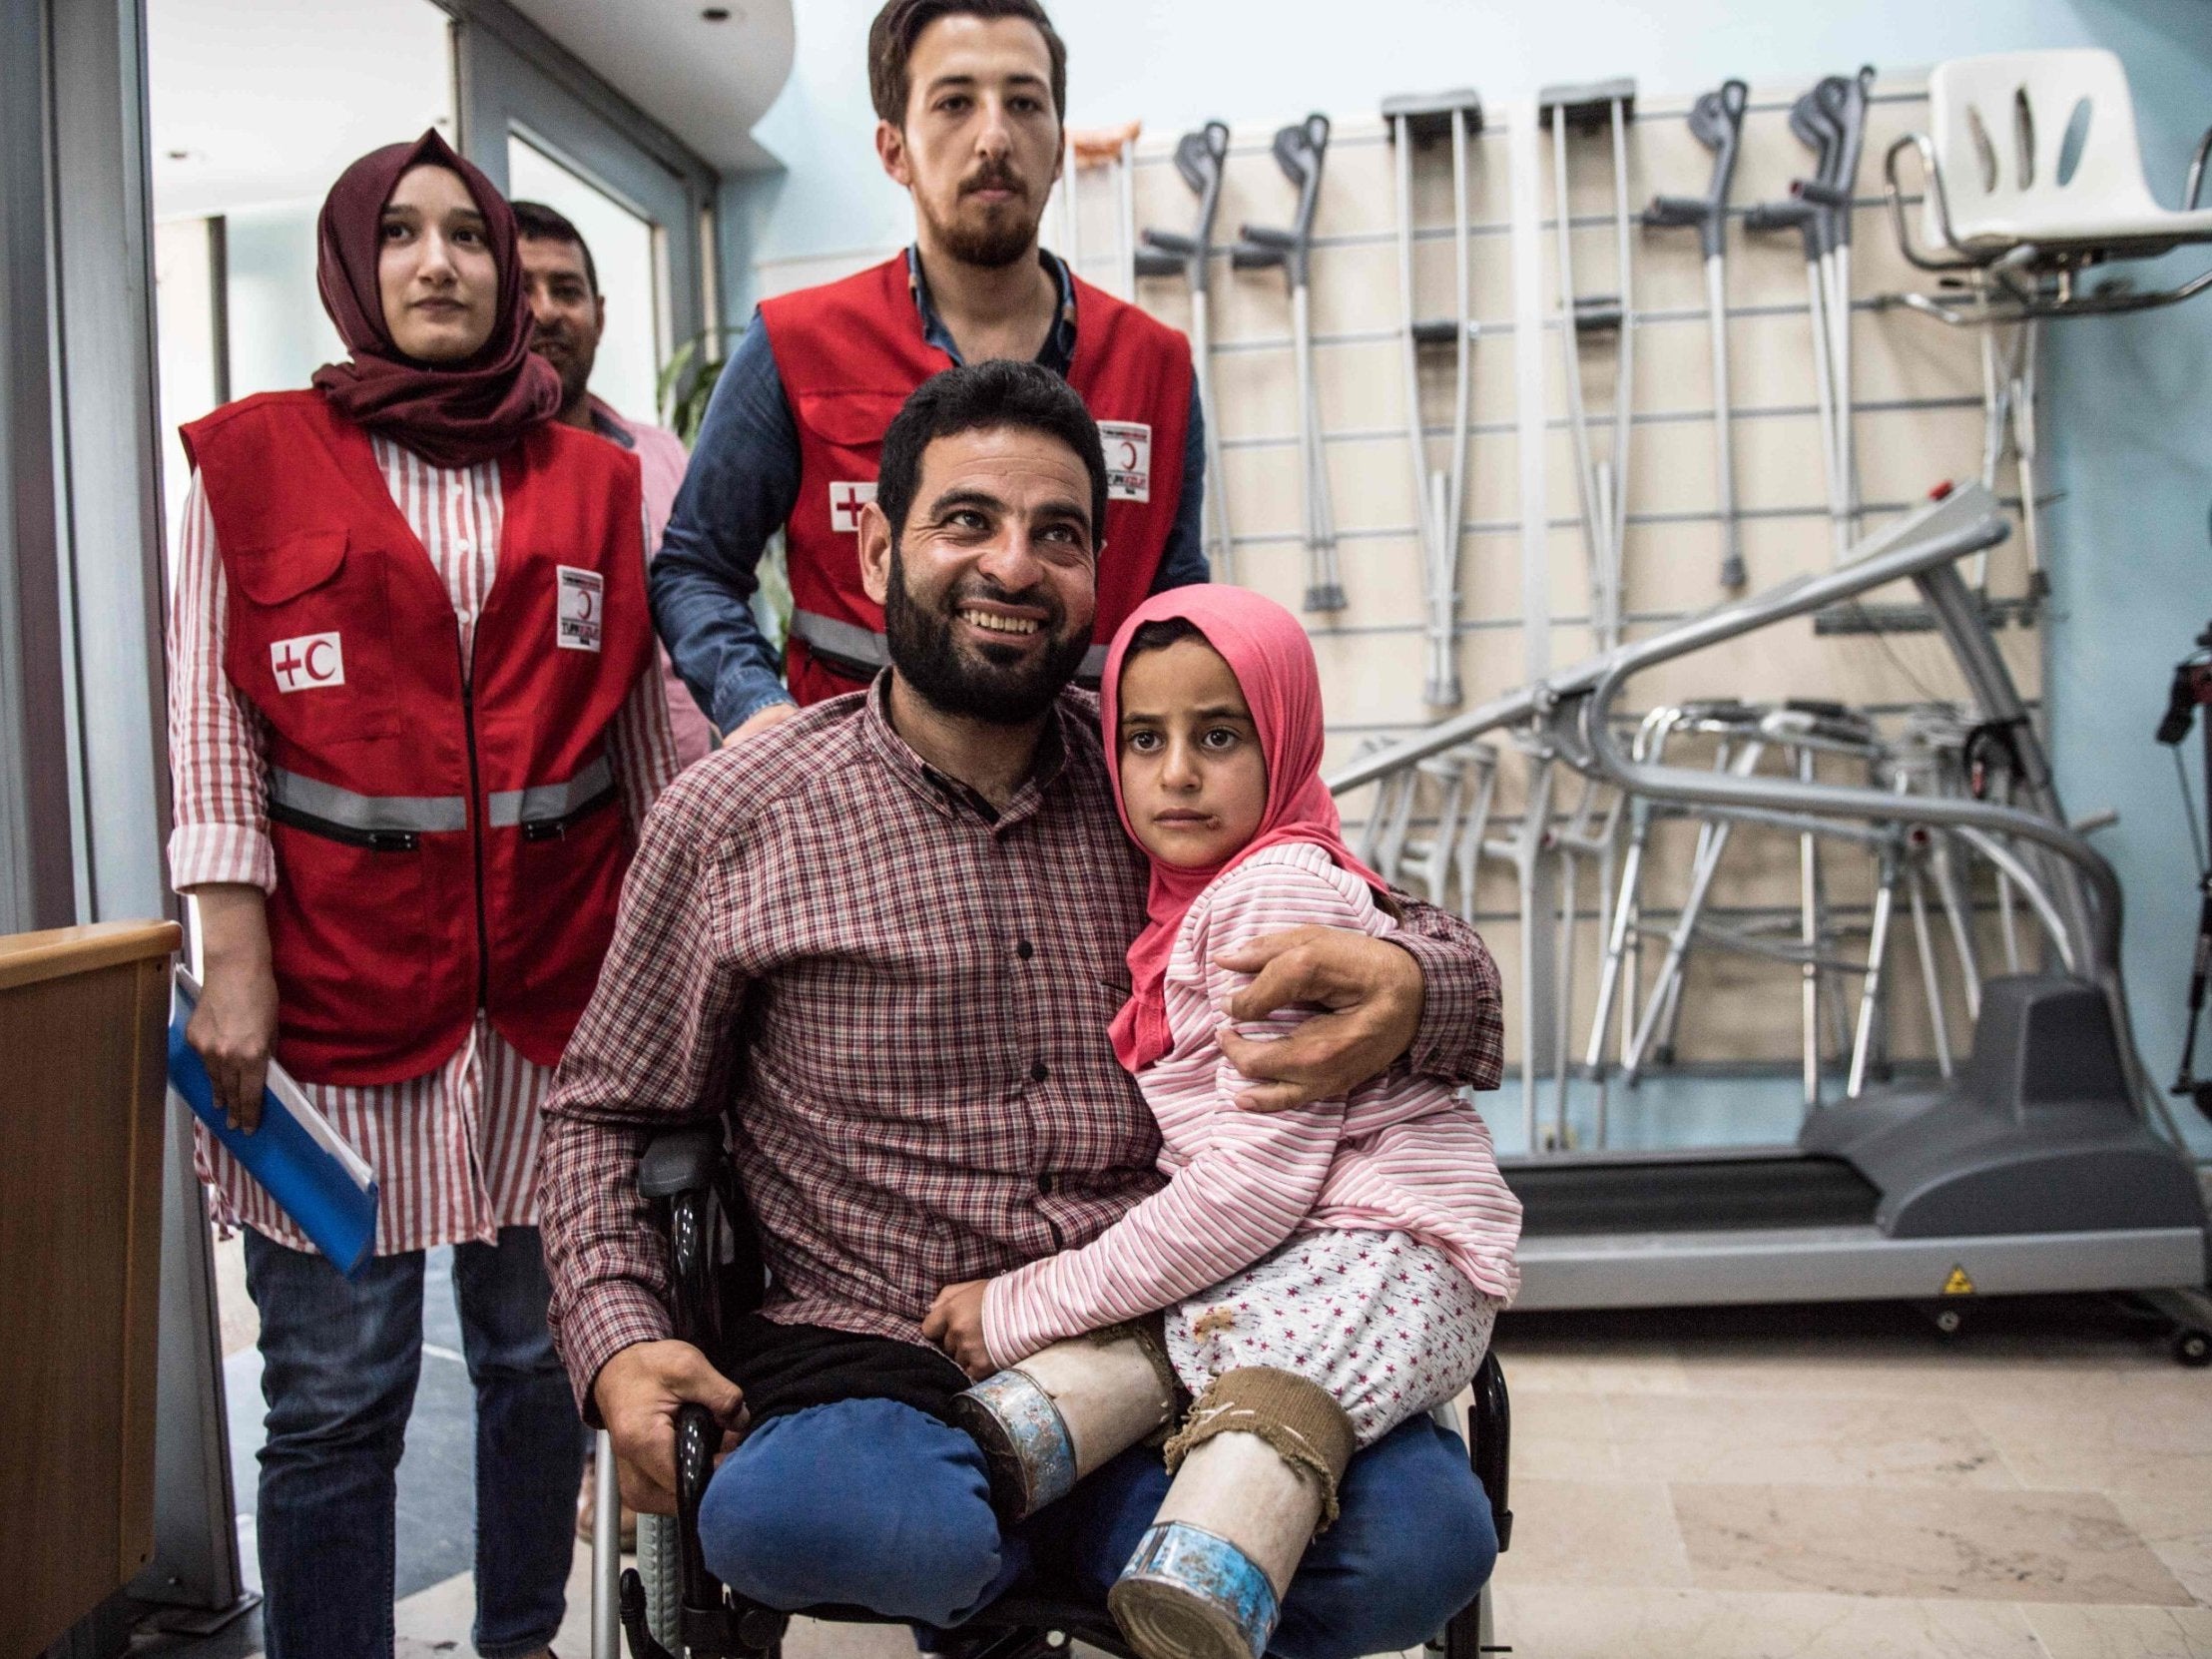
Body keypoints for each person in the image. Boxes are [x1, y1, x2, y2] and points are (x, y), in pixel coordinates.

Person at [539, 359, 1507, 1659]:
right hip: (882, 1343)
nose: (1013, 565)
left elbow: (1383, 920)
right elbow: (605, 1113)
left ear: (1098, 572)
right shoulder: (744, 808)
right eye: (967, 521)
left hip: (1187, 1323)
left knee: (1417, 1550)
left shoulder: (1163, 768)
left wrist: (1416, 987)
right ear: (879, 543)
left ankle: (1092, 1546)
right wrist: (619, 1342)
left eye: (1058, 534)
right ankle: (1116, 1557)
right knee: (832, 1522)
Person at [169, 131, 679, 1659]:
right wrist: (231, 952)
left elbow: (651, 737)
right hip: (330, 995)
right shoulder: (248, 459)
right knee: (336, 1393)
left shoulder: (597, 478)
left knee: (537, 1359)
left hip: (553, 999)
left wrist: (680, 980)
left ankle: (519, 1638)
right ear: (353, 264)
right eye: (401, 234)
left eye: (468, 236)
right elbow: (211, 717)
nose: (441, 261)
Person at [924, 586, 1522, 1659]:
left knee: (1268, 1386)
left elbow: (1250, 1189)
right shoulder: (1202, 892)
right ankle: (1043, 1434)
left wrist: (1024, 1306)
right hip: (1307, 1246)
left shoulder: (1267, 900)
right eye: (1143, 740)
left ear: (1285, 736)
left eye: (1218, 735)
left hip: (1388, 1251)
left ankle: (1207, 1574)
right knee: (1207, 1321)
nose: (1177, 775)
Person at [649, 0, 1210, 744]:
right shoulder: (796, 345)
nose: (994, 136)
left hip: (1094, 806)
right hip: (855, 804)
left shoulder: (1155, 364)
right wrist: (758, 711)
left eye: (1023, 102)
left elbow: (1179, 607)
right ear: (895, 150)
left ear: (1057, 140)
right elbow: (696, 568)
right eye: (954, 103)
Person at [513, 198, 716, 767]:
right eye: (522, 291)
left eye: (566, 290)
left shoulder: (661, 456)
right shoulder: (473, 475)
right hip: (561, 807)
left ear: (599, 316)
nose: (546, 311)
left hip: (683, 787)